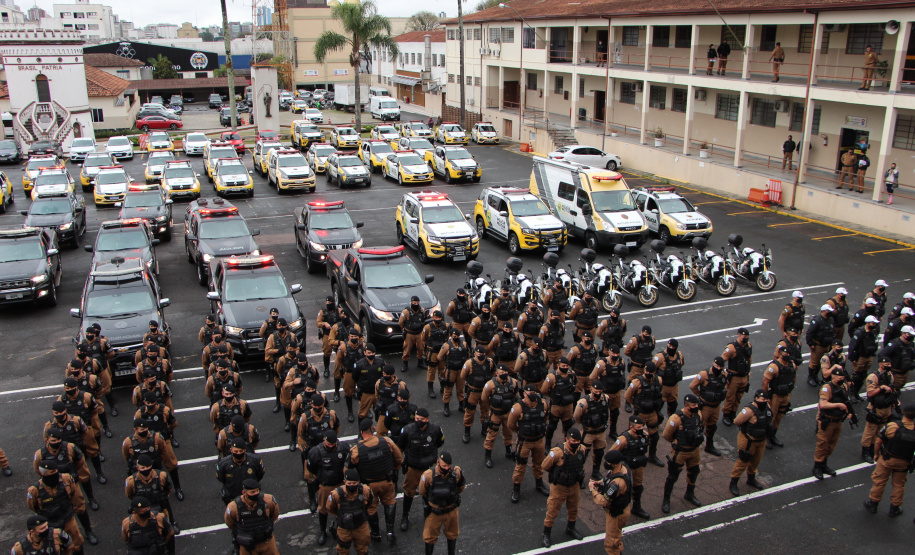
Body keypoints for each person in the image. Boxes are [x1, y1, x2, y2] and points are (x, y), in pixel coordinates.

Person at [348, 419, 403, 543]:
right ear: (373, 429)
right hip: (386, 481)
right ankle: (390, 531)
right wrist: (394, 471)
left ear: (361, 432)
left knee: (371, 508)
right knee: (390, 503)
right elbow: (399, 458)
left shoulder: (357, 450)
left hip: (369, 485)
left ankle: (376, 533)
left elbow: (348, 471)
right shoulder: (386, 441)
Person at [27, 460, 97, 549]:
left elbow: (73, 494)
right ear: (44, 474)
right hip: (50, 524)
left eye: (56, 471)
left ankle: (88, 532)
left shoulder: (66, 479)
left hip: (67, 519)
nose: (56, 473)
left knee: (77, 544)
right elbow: (32, 506)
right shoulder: (34, 490)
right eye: (52, 472)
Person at [397, 408, 445, 532]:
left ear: (427, 419)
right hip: (413, 467)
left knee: (430, 490)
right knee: (409, 492)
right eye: (417, 419)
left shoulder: (435, 429)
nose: (418, 421)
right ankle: (405, 515)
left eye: (421, 420)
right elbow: (400, 446)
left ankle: (428, 510)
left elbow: (440, 442)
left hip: (429, 467)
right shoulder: (407, 430)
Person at [863, 403, 915, 517]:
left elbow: (878, 441)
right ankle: (894, 508)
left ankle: (873, 503)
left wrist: (876, 455)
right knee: (899, 485)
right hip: (904, 462)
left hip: (887, 459)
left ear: (904, 412)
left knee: (879, 481)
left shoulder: (893, 426)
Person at [540, 429, 586, 547]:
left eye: (578, 441)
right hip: (559, 487)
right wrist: (557, 473)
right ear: (567, 439)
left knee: (573, 508)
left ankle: (571, 528)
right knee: (552, 510)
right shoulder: (557, 452)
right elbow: (545, 465)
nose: (576, 443)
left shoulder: (582, 449)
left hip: (574, 485)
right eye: (573, 441)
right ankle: (546, 533)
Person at [35, 429, 97, 511]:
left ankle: (91, 498)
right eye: (53, 440)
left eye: (59, 440)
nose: (56, 442)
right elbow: (38, 469)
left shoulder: (70, 447)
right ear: (47, 440)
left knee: (79, 505)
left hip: (71, 479)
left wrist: (74, 473)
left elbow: (80, 461)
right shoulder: (40, 454)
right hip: (53, 484)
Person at [661, 394, 704, 513]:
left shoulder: (699, 414)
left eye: (697, 404)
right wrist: (676, 442)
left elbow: (700, 427)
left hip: (694, 451)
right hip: (681, 452)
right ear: (686, 405)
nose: (696, 406)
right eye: (693, 405)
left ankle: (689, 493)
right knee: (673, 476)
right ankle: (666, 500)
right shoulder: (676, 418)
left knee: (694, 472)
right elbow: (666, 435)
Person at [508, 385, 551, 503]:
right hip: (525, 441)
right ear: (524, 394)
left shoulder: (543, 404)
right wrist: (521, 432)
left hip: (538, 440)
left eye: (533, 392)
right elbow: (511, 424)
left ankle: (539, 484)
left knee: (539, 463)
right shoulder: (518, 407)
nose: (531, 395)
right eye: (529, 393)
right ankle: (516, 488)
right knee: (520, 465)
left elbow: (545, 418)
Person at [306, 430, 349, 545]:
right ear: (324, 441)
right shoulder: (316, 452)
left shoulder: (343, 448)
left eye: (333, 445)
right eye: (328, 444)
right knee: (323, 509)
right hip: (325, 485)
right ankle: (322, 531)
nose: (330, 446)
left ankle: (340, 527)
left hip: (340, 483)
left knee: (342, 507)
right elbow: (311, 470)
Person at [419, 452, 466, 555]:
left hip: (451, 510)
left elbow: (461, 486)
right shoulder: (428, 475)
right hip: (435, 512)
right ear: (438, 463)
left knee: (452, 535)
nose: (446, 468)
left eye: (448, 466)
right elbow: (422, 491)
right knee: (429, 537)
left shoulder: (456, 472)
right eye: (444, 465)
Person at [729, 390, 772, 495]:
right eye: (762, 399)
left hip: (761, 440)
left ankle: (751, 479)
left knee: (756, 461)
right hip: (748, 441)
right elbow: (737, 421)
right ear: (756, 398)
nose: (764, 401)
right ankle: (733, 483)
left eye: (766, 399)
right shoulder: (748, 410)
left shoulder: (767, 407)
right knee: (743, 462)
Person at [813, 365, 852, 479]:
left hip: (838, 420)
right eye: (839, 378)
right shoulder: (827, 388)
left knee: (831, 445)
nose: (841, 380)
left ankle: (824, 464)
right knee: (822, 444)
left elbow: (846, 401)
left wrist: (848, 412)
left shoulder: (844, 386)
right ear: (833, 377)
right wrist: (838, 405)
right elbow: (823, 404)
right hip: (827, 420)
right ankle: (817, 466)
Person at [590, 451, 631, 555]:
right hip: (621, 508)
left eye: (608, 462)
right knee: (616, 540)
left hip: (616, 514)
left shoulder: (618, 483)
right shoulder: (621, 469)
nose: (606, 463)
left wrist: (593, 490)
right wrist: (599, 483)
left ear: (614, 463)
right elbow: (608, 480)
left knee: (611, 543)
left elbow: (604, 501)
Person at [125, 454, 179, 534]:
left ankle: (172, 523)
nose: (145, 469)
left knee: (166, 526)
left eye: (147, 467)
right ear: (137, 468)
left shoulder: (161, 476)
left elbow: (168, 489)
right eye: (142, 468)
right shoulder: (131, 481)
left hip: (159, 504)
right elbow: (129, 495)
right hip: (142, 508)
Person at [609, 416, 650, 519]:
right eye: (638, 427)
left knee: (638, 488)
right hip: (627, 469)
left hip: (639, 467)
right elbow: (612, 453)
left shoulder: (645, 435)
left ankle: (636, 507)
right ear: (631, 427)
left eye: (642, 426)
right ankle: (616, 509)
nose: (641, 429)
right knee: (623, 490)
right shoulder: (623, 439)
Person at [624, 362, 664, 467]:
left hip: (652, 413)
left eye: (650, 372)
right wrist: (636, 405)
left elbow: (659, 394)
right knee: (633, 436)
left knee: (654, 436)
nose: (648, 373)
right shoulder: (637, 382)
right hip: (640, 413)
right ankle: (630, 457)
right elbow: (627, 396)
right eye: (646, 371)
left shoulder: (658, 380)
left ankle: (652, 456)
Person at [861, 356, 899, 464]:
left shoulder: (889, 374)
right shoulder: (873, 377)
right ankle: (865, 451)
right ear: (881, 364)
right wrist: (881, 388)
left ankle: (874, 448)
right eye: (887, 363)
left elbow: (893, 388)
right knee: (870, 431)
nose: (889, 365)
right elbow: (870, 394)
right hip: (876, 408)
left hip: (887, 407)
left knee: (881, 430)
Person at [224, 480, 279, 555]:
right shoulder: (234, 507)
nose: (256, 493)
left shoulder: (268, 500)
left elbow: (274, 514)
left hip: (267, 542)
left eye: (257, 491)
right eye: (252, 492)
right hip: (247, 545)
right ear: (244, 493)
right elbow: (230, 522)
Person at [326, 469, 374, 555]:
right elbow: (330, 508)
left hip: (361, 526)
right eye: (349, 484)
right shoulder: (336, 494)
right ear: (344, 482)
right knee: (342, 550)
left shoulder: (365, 490)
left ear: (358, 482)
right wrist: (340, 515)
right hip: (344, 528)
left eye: (354, 483)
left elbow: (369, 502)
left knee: (363, 549)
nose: (351, 485)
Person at [481, 364, 520, 467]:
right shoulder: (490, 384)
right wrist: (487, 412)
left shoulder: (513, 382)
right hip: (496, 413)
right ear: (497, 373)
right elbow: (484, 399)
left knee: (508, 432)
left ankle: (508, 450)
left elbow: (515, 396)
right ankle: (488, 456)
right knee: (491, 435)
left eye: (506, 373)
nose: (504, 375)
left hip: (507, 413)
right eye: (502, 373)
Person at [574, 380, 611, 479]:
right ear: (591, 390)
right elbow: (577, 416)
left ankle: (596, 471)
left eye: (600, 392)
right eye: (596, 392)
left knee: (599, 453)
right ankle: (579, 474)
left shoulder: (606, 399)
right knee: (583, 454)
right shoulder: (584, 402)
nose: (598, 394)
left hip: (601, 431)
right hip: (588, 432)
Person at [761, 346, 796, 449]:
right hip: (776, 395)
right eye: (785, 355)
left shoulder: (791, 365)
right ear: (780, 355)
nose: (787, 356)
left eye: (789, 354)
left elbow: (793, 377)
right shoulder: (774, 367)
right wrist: (766, 397)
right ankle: (766, 437)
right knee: (771, 417)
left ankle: (773, 436)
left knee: (779, 417)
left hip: (786, 394)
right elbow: (765, 382)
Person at [590, 345, 627, 438]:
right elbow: (592, 377)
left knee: (615, 413)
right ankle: (598, 431)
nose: (615, 355)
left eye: (617, 353)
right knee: (601, 413)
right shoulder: (602, 363)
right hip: (605, 394)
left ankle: (613, 431)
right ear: (609, 352)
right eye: (613, 353)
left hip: (616, 393)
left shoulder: (621, 361)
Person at [460, 346, 494, 443]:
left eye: (483, 355)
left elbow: (493, 372)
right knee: (469, 411)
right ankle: (467, 432)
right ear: (475, 354)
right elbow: (463, 376)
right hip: (473, 391)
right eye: (479, 355)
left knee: (485, 411)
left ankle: (484, 428)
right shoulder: (469, 363)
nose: (481, 356)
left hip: (485, 391)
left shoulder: (489, 362)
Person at [216, 438, 266, 505]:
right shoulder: (223, 464)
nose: (238, 453)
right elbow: (221, 478)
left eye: (241, 451)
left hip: (251, 498)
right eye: (236, 451)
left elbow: (260, 474)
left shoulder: (255, 461)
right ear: (231, 450)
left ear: (245, 450)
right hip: (232, 499)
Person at [541, 357, 578, 445]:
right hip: (556, 406)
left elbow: (574, 384)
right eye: (563, 366)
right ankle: (548, 444)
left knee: (568, 426)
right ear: (558, 366)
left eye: (566, 366)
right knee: (552, 426)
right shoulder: (552, 377)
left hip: (568, 406)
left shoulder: (571, 374)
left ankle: (567, 444)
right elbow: (544, 390)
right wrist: (553, 396)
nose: (565, 367)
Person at [721, 328, 753, 427]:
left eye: (747, 337)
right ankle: (726, 414)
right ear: (739, 335)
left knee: (739, 397)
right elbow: (722, 360)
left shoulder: (748, 345)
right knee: (730, 397)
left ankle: (733, 413)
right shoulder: (731, 347)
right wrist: (723, 374)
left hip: (744, 376)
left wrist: (748, 371)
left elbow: (749, 358)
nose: (746, 338)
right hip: (734, 376)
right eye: (744, 336)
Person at [437, 327, 469, 417]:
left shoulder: (463, 344)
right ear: (451, 336)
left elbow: (467, 355)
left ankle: (461, 406)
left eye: (457, 336)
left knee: (460, 389)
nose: (456, 337)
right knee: (448, 389)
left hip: (460, 371)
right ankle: (446, 407)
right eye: (454, 336)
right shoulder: (446, 345)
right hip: (450, 371)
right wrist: (445, 366)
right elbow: (439, 357)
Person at [849, 316, 881, 398]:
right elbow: (853, 345)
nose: (874, 325)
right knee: (856, 376)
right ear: (868, 323)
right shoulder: (859, 332)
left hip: (869, 356)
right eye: (873, 323)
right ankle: (851, 393)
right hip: (861, 357)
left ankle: (856, 392)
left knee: (863, 375)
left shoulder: (873, 332)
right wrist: (853, 358)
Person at [335, 328, 365, 418]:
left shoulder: (363, 346)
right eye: (352, 336)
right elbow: (338, 361)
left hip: (361, 372)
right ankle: (350, 411)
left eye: (355, 336)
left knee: (363, 391)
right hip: (349, 372)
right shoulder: (343, 347)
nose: (354, 338)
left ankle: (364, 409)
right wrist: (339, 372)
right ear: (348, 337)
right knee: (348, 392)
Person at [653, 339, 684, 418]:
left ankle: (670, 423)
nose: (670, 348)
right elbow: (651, 370)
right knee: (657, 407)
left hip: (674, 387)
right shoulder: (660, 357)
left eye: (672, 347)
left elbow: (681, 365)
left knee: (673, 407)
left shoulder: (679, 355)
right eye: (669, 346)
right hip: (663, 387)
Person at [806, 305, 836, 386]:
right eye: (828, 311)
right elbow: (810, 333)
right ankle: (811, 377)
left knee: (821, 362)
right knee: (814, 362)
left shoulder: (830, 319)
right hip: (818, 345)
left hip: (827, 345)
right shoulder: (817, 320)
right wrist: (811, 343)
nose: (830, 312)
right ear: (823, 311)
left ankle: (816, 376)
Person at [422, 311, 449, 399]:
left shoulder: (446, 326)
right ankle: (430, 389)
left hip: (442, 352)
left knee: (442, 369)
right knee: (431, 370)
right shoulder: (428, 327)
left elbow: (447, 337)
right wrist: (429, 346)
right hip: (432, 352)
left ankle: (442, 386)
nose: (437, 319)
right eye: (435, 318)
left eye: (439, 318)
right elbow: (423, 338)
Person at [567, 331, 599, 401]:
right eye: (587, 338)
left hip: (590, 375)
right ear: (582, 338)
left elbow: (594, 357)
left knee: (591, 395)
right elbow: (568, 361)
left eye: (590, 338)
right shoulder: (575, 349)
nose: (588, 340)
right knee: (576, 395)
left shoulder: (594, 348)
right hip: (579, 376)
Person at [399, 296, 427, 373]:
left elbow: (424, 319)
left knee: (421, 348)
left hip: (419, 333)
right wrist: (405, 329)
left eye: (417, 303)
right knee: (407, 349)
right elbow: (401, 322)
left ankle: (420, 362)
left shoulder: (422, 310)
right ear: (411, 302)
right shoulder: (406, 312)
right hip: (409, 333)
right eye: (414, 303)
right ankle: (405, 363)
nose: (416, 304)